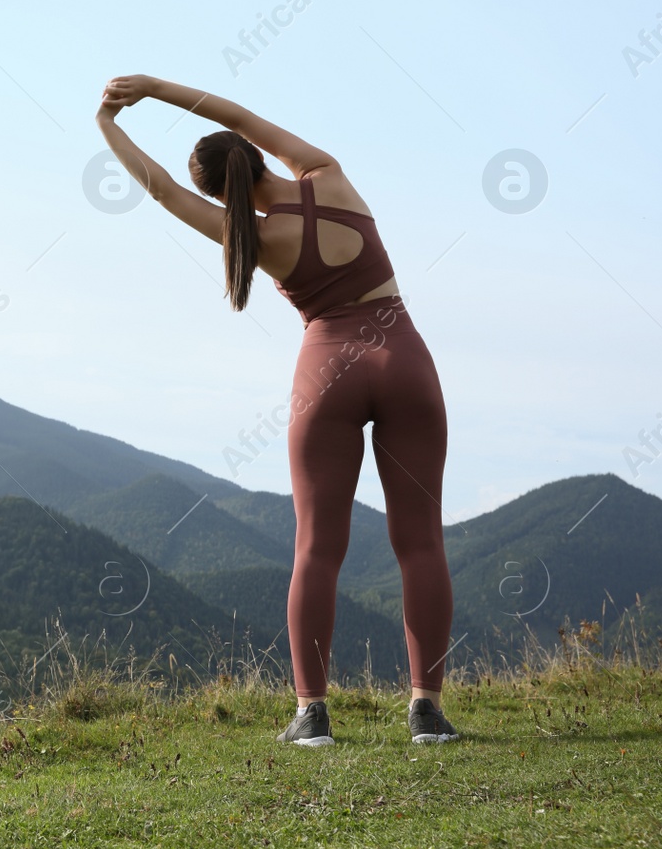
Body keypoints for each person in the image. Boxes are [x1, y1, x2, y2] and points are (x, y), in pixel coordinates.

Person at [95, 75, 458, 747]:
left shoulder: (255, 239)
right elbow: (236, 111)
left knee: (317, 547)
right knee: (421, 542)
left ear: (218, 192)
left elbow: (162, 191)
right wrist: (150, 89)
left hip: (327, 374)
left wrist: (109, 127)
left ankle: (312, 714)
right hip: (404, 358)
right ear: (259, 158)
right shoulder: (328, 176)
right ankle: (426, 712)